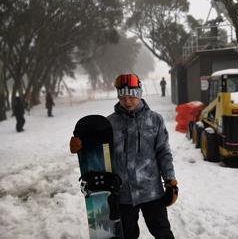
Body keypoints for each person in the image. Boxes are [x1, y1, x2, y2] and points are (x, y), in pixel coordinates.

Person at [70, 73, 178, 239]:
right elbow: (95, 149)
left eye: (131, 97)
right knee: (127, 236)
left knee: (162, 232)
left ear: (139, 94)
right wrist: (80, 145)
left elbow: (163, 152)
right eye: (122, 97)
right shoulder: (108, 124)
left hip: (151, 191)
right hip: (123, 195)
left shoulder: (155, 120)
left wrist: (170, 181)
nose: (127, 101)